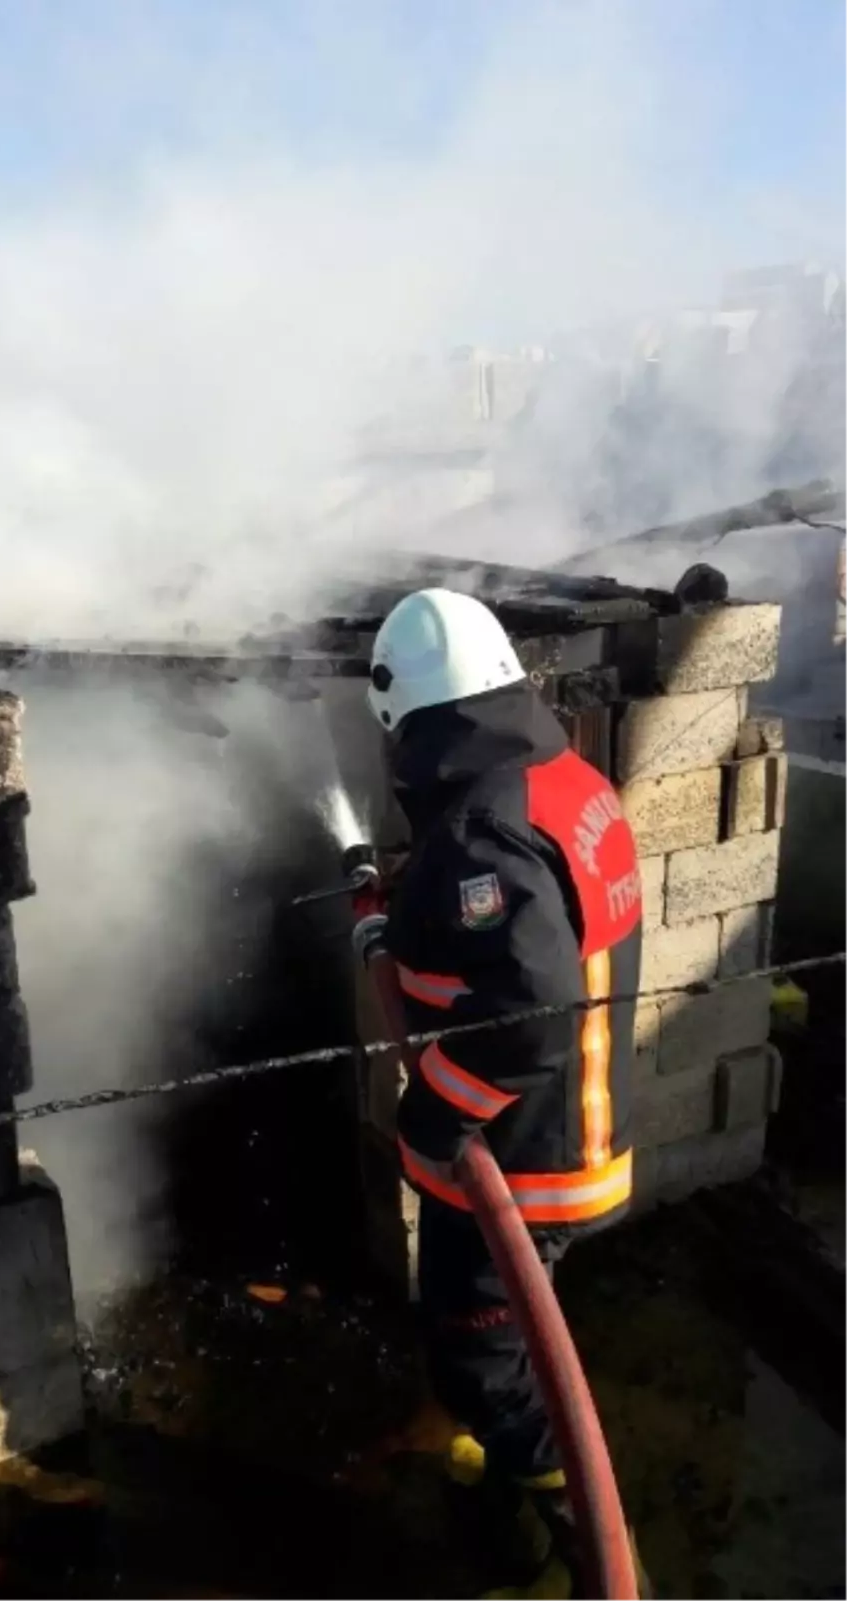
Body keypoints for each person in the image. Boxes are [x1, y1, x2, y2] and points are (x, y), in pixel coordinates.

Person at [357, 587, 649, 1601]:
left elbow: (528, 1008)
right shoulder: (559, 777)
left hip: (523, 1154)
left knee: (489, 1346)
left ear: (408, 715)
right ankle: (495, 1445)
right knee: (487, 1325)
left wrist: (432, 1109)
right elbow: (514, 932)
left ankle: (553, 1530)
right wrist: (402, 923)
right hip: (576, 1119)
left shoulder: (480, 831)